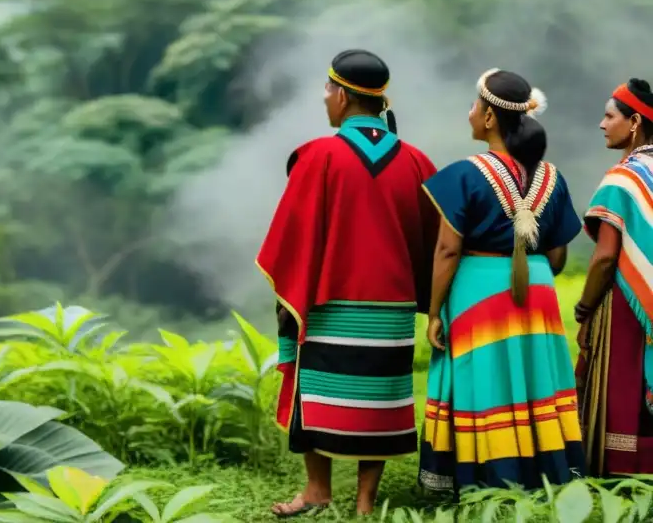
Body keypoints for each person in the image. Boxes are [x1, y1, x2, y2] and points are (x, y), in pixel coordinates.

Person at [257, 49, 438, 518]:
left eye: (326, 91)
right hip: (393, 307)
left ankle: (317, 490)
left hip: (330, 302)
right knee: (378, 401)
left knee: (314, 396)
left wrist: (289, 298)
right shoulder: (416, 162)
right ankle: (364, 503)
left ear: (341, 96)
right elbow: (432, 238)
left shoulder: (318, 157)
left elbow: (295, 235)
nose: (324, 101)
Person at [419, 68, 585, 493]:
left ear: (490, 117)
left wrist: (435, 311)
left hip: (480, 290)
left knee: (487, 381)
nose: (471, 113)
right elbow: (558, 253)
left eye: (475, 105)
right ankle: (551, 472)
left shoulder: (464, 175)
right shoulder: (552, 177)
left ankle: (489, 477)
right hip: (539, 290)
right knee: (536, 379)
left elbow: (447, 251)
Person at [575, 78, 653, 475]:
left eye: (610, 116)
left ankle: (625, 468)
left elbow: (605, 257)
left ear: (634, 122)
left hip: (631, 298)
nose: (602, 125)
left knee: (626, 378)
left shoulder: (625, 178)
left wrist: (584, 308)